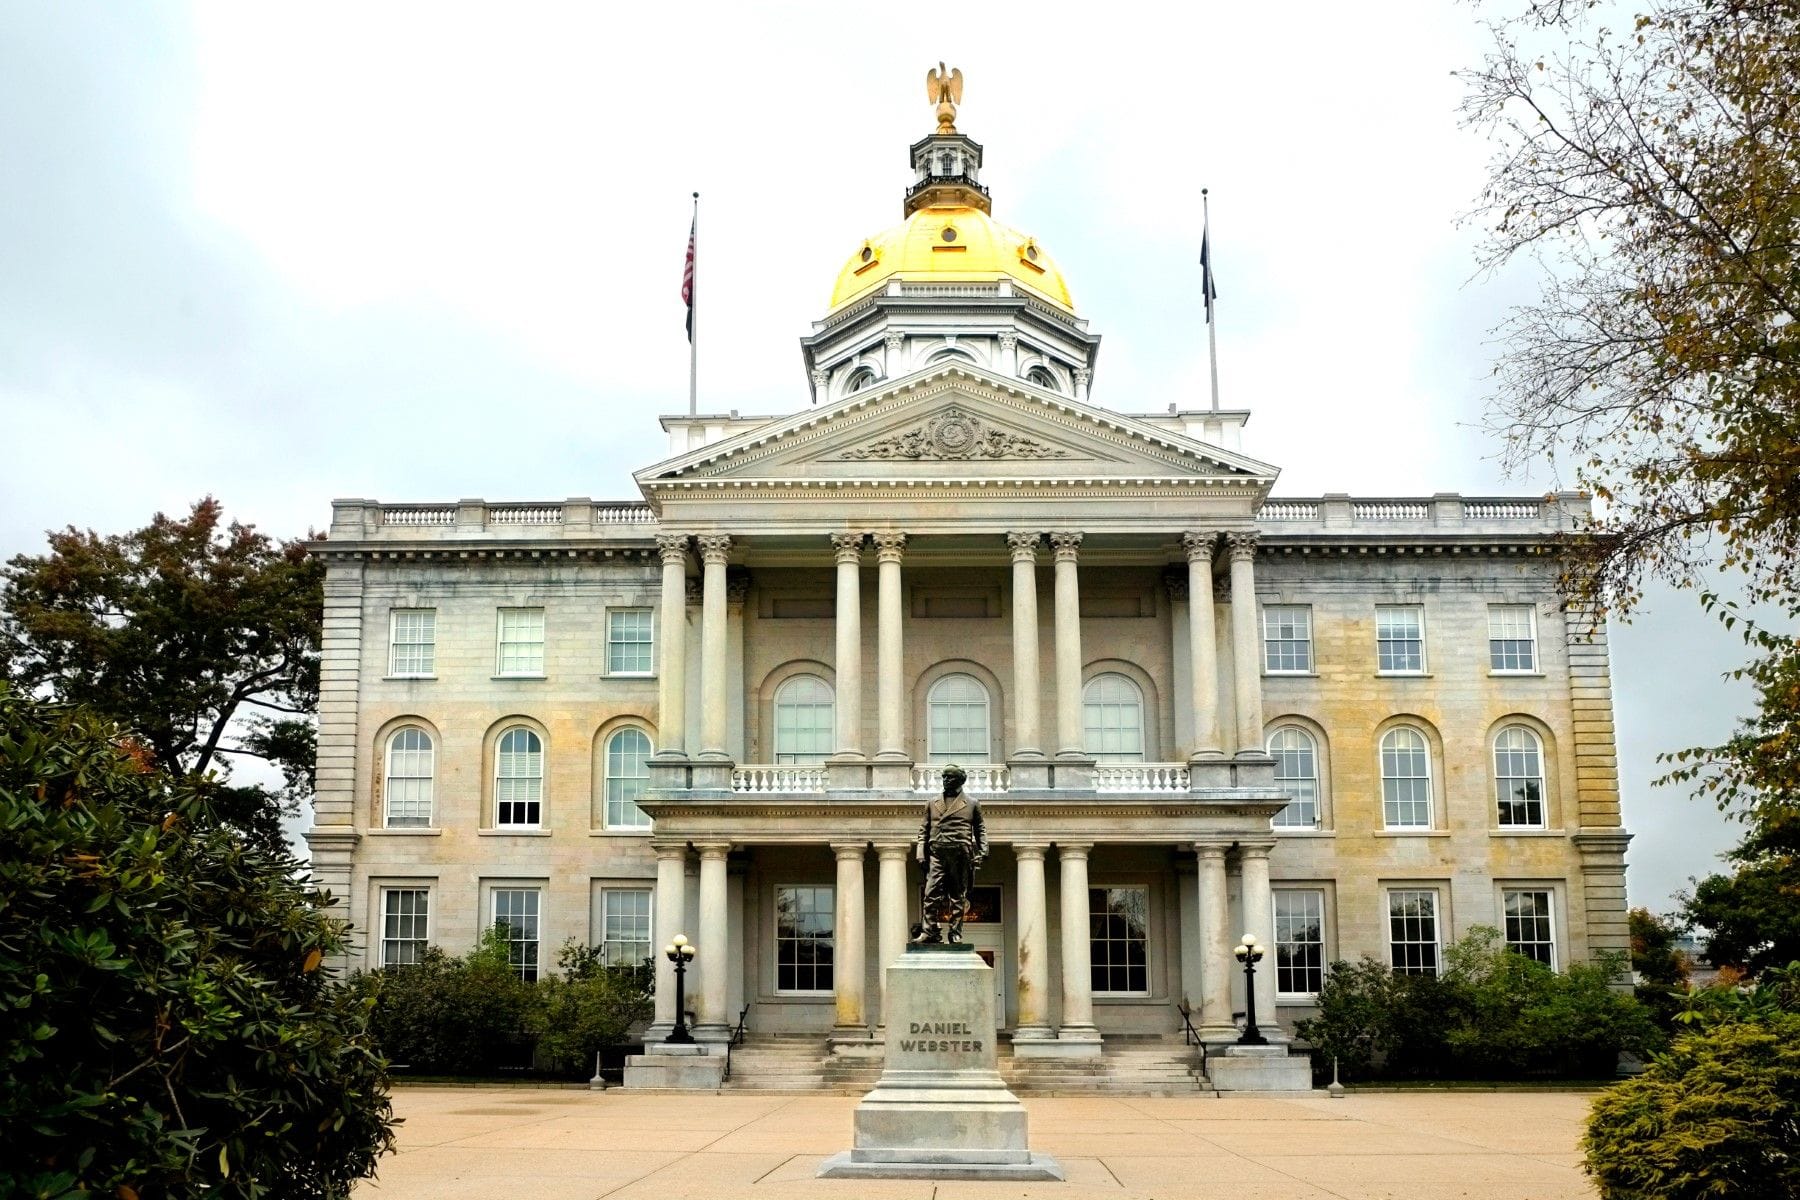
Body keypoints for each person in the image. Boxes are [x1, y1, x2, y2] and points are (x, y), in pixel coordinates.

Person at [911, 764, 988, 945]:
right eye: (944, 777)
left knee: (957, 895)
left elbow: (980, 829)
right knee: (930, 893)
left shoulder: (972, 803)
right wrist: (920, 853)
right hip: (936, 852)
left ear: (960, 781)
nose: (946, 780)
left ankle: (955, 932)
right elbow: (924, 830)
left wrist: (984, 850)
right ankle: (928, 931)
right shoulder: (932, 803)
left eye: (950, 777)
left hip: (960, 853)